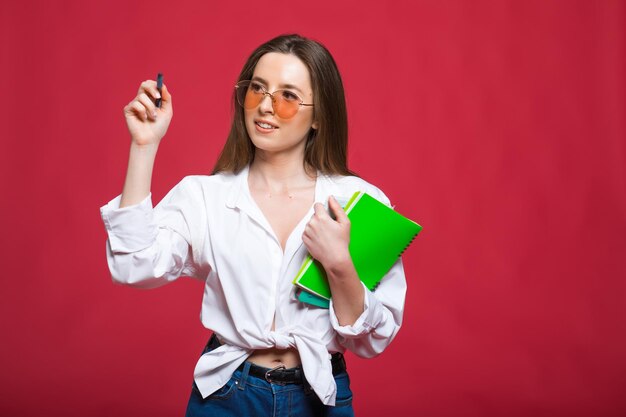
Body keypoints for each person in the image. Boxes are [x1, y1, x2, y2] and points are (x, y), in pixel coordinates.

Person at [100, 34, 407, 417]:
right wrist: (143, 147)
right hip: (228, 393)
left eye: (287, 96)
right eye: (257, 89)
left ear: (319, 117)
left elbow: (372, 340)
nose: (265, 106)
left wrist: (339, 264)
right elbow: (134, 266)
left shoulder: (359, 204)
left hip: (320, 394)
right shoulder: (205, 196)